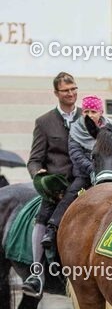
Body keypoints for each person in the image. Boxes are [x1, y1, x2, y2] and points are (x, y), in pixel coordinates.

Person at [23, 72, 81, 296]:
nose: (71, 94)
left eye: (74, 88)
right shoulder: (44, 122)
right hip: (55, 186)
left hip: (84, 183)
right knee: (43, 216)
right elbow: (34, 159)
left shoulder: (87, 118)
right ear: (56, 93)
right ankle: (37, 273)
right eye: (66, 90)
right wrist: (41, 177)